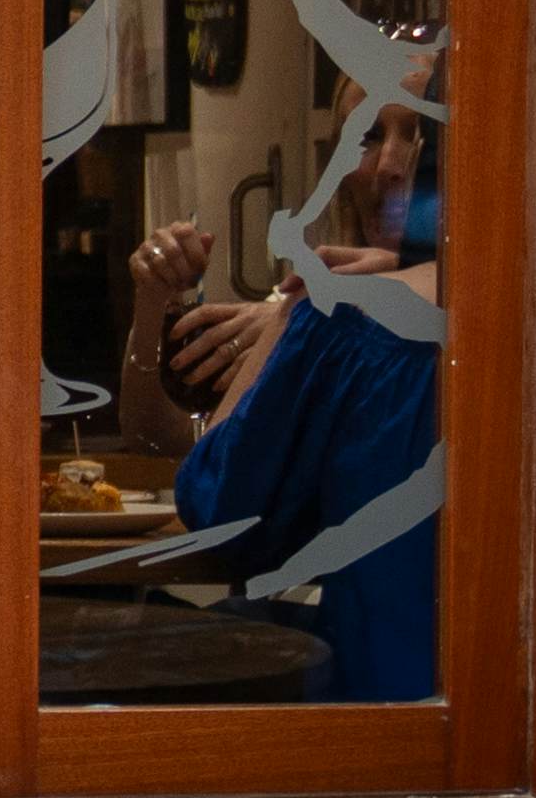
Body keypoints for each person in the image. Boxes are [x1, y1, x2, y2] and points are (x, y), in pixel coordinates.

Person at [116, 85, 443, 703]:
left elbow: (217, 506)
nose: (392, 164)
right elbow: (158, 434)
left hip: (388, 709)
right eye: (368, 135)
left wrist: (298, 319)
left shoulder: (338, 319)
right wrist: (152, 300)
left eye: (419, 133)